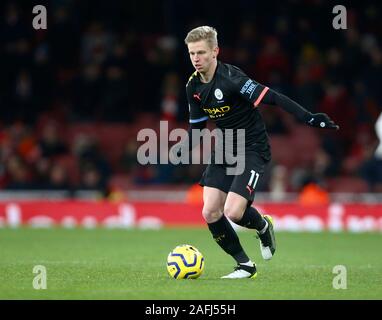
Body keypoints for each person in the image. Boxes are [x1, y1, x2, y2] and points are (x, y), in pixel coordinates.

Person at [173, 26, 339, 279]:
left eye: (201, 53)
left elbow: (272, 97)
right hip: (226, 147)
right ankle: (245, 266)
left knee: (234, 212)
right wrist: (181, 150)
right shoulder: (192, 86)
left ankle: (263, 225)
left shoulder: (231, 78)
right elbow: (196, 128)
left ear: (215, 51)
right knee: (210, 211)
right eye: (192, 53)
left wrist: (309, 117)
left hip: (252, 147)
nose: (196, 58)